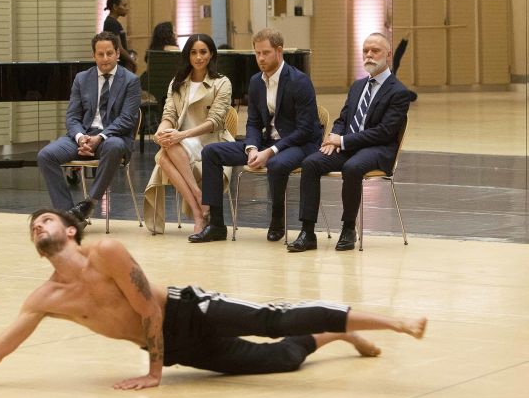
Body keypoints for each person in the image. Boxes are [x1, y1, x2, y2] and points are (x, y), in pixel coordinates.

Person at [0, 209, 427, 391]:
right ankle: (339, 334)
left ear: (71, 232)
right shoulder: (45, 298)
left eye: (46, 219)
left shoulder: (109, 252)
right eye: (32, 226)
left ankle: (394, 322)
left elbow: (147, 310)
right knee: (276, 358)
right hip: (176, 348)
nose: (38, 227)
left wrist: (154, 369)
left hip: (188, 310)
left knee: (272, 319)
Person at [189, 28, 322, 243]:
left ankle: (277, 218)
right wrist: (252, 148)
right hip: (267, 142)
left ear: (279, 52)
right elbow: (253, 123)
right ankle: (216, 225)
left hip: (300, 143)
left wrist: (269, 152)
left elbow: (305, 129)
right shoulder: (255, 82)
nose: (260, 58)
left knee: (277, 164)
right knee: (212, 152)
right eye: (257, 53)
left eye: (266, 53)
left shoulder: (299, 81)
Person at [287, 33, 417, 253]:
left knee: (352, 167)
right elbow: (343, 119)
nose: (368, 55)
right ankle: (307, 232)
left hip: (378, 150)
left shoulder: (399, 92)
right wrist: (333, 138)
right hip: (348, 146)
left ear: (388, 54)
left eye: (374, 51)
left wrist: (344, 140)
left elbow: (384, 133)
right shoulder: (357, 86)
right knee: (311, 163)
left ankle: (348, 228)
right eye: (365, 50)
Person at [37, 32, 141, 221]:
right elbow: (72, 116)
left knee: (115, 146)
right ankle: (70, 216)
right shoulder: (82, 78)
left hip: (111, 138)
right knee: (46, 155)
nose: (105, 58)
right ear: (93, 55)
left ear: (118, 53)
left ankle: (88, 204)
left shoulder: (130, 81)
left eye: (109, 53)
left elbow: (127, 119)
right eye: (100, 54)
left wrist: (99, 138)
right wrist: (80, 138)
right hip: (82, 136)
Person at [143, 34, 234, 234]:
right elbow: (169, 114)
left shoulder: (222, 82)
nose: (198, 57)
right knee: (166, 146)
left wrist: (180, 135)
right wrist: (160, 133)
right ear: (188, 55)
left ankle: (198, 205)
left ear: (211, 55)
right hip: (181, 143)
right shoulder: (177, 82)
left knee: (162, 154)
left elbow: (215, 122)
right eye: (194, 52)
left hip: (211, 142)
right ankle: (198, 204)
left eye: (203, 52)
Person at [103, 0, 137, 73]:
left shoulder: (113, 22)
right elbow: (119, 48)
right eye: (124, 5)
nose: (127, 8)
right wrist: (133, 62)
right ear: (115, 7)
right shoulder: (111, 23)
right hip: (119, 66)